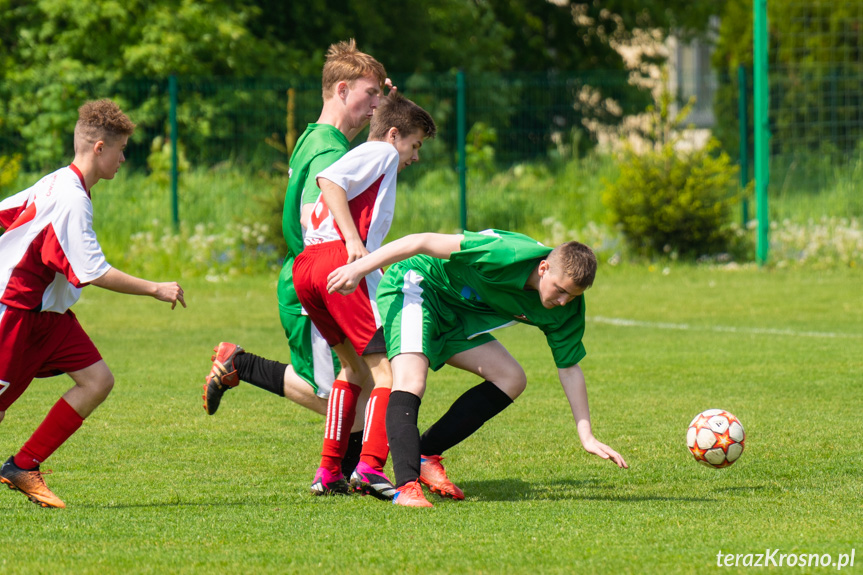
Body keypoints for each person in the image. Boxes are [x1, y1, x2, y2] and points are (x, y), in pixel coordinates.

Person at [326, 229, 629, 507]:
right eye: (561, 291)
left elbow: (569, 368)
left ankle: (426, 453)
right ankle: (406, 486)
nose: (564, 302)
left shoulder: (568, 308)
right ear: (543, 268)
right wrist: (358, 268)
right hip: (419, 286)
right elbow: (420, 241)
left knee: (511, 378)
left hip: (457, 314)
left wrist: (586, 434)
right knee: (411, 379)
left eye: (573, 296)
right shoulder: (504, 253)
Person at [202, 40, 392, 479]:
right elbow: (317, 213)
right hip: (320, 276)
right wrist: (352, 244)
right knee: (334, 392)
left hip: (310, 272)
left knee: (359, 378)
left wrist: (386, 111)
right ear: (342, 89)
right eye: (370, 95)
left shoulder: (315, 136)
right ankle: (240, 365)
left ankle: (344, 474)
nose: (375, 104)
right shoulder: (329, 151)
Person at [0, 99, 186, 508]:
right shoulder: (70, 198)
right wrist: (156, 288)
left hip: (49, 316)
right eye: (120, 150)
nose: (124, 158)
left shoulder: (56, 183)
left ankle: (22, 466)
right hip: (16, 313)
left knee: (97, 380)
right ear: (99, 148)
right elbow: (95, 271)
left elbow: (6, 213)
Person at [293, 91, 436, 499]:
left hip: (310, 265)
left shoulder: (376, 158)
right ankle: (371, 467)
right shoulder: (382, 153)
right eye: (415, 144)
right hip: (337, 259)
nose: (415, 156)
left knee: (351, 368)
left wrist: (368, 257)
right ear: (394, 135)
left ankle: (327, 471)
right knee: (387, 370)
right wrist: (355, 247)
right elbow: (329, 181)